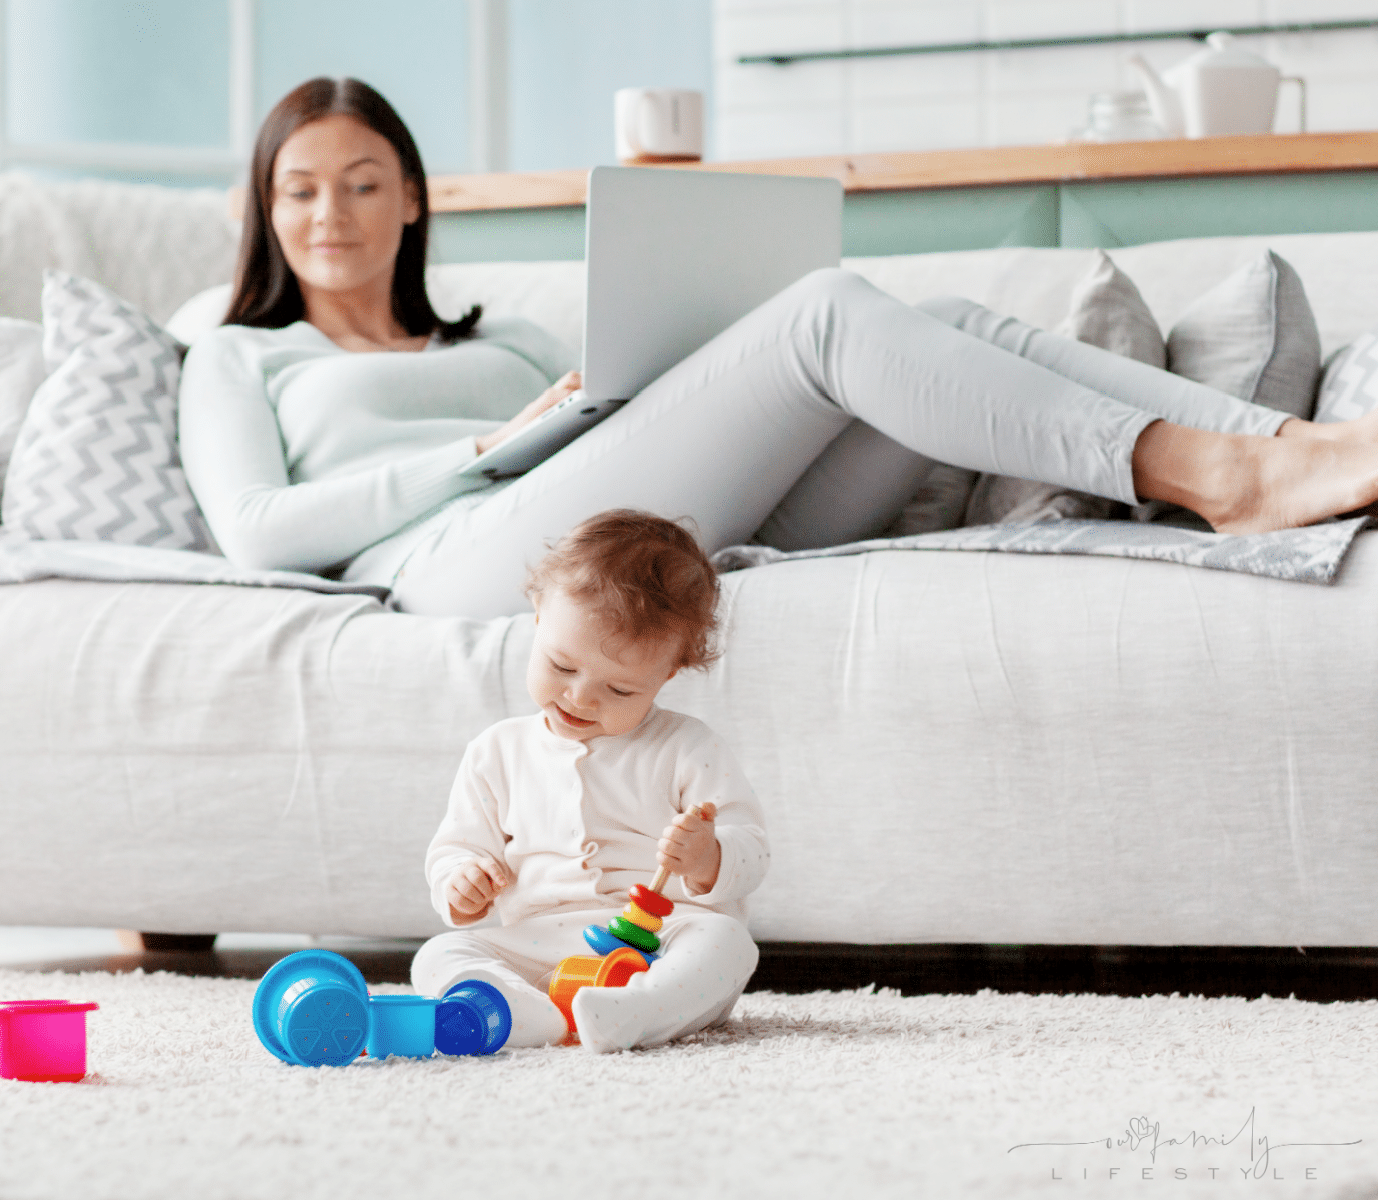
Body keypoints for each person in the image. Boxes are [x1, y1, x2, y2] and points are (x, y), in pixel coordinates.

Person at [177, 77, 1378, 618]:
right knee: (824, 312)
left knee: (945, 327)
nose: (329, 214)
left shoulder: (521, 339)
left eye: (361, 182)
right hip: (458, 565)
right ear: (265, 212)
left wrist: (600, 404)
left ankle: (1277, 448)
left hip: (639, 515)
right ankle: (1222, 476)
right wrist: (494, 447)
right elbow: (256, 532)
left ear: (412, 201)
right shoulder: (239, 355)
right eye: (298, 190)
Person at [411, 509, 767, 1052]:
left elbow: (752, 851)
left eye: (621, 691)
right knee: (438, 954)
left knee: (727, 943)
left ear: (667, 672)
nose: (580, 698)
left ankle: (636, 1011)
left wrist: (707, 858)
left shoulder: (688, 748)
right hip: (541, 943)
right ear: (537, 617)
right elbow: (457, 847)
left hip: (660, 944)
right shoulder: (496, 753)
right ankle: (519, 1012)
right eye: (561, 665)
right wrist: (462, 883)